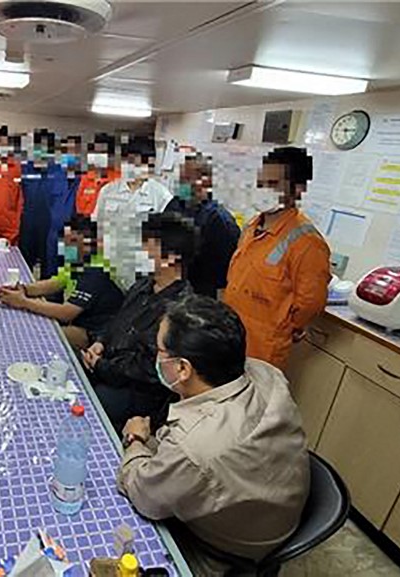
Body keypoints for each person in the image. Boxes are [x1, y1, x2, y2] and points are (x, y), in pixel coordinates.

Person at [117, 295, 309, 565]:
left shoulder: (192, 446)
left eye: (159, 350)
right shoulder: (268, 373)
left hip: (229, 550)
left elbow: (144, 496)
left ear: (182, 368)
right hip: (274, 510)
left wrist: (135, 439)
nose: (155, 356)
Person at [81, 211, 195, 432]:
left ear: (171, 257)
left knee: (89, 405)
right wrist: (101, 342)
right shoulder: (143, 285)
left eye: (149, 246)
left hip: (137, 391)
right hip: (108, 364)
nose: (143, 251)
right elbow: (117, 321)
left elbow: (148, 369)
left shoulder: (181, 310)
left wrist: (101, 366)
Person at [225, 146, 331, 369]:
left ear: (297, 189)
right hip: (229, 334)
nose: (263, 191)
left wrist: (286, 326)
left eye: (272, 184)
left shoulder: (307, 242)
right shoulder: (253, 226)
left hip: (261, 348)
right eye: (260, 183)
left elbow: (310, 302)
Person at [0, 215, 123, 350]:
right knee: (31, 322)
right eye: (66, 242)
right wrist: (24, 289)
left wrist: (23, 302)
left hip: (98, 333)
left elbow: (66, 313)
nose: (68, 248)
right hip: (81, 320)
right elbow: (56, 283)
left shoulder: (96, 271)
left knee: (42, 337)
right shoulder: (79, 259)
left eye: (74, 242)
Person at [93, 135, 173, 289]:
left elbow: (164, 237)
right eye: (130, 161)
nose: (134, 166)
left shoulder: (161, 195)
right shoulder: (108, 191)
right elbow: (98, 226)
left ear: (149, 163)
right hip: (110, 262)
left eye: (139, 162)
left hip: (142, 267)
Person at [165, 153, 241, 298]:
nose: (183, 184)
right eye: (182, 179)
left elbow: (227, 269)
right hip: (172, 284)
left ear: (206, 181)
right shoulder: (175, 204)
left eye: (188, 179)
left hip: (201, 292)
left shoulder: (218, 220)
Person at [20, 129, 74, 278]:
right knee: (23, 265)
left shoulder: (60, 173)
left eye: (45, 149)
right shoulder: (24, 170)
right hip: (28, 226)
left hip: (50, 229)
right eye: (37, 148)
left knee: (49, 268)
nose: (40, 153)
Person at [75, 132, 120, 216]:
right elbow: (79, 207)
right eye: (95, 152)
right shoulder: (85, 179)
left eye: (102, 152)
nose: (97, 156)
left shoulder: (119, 179)